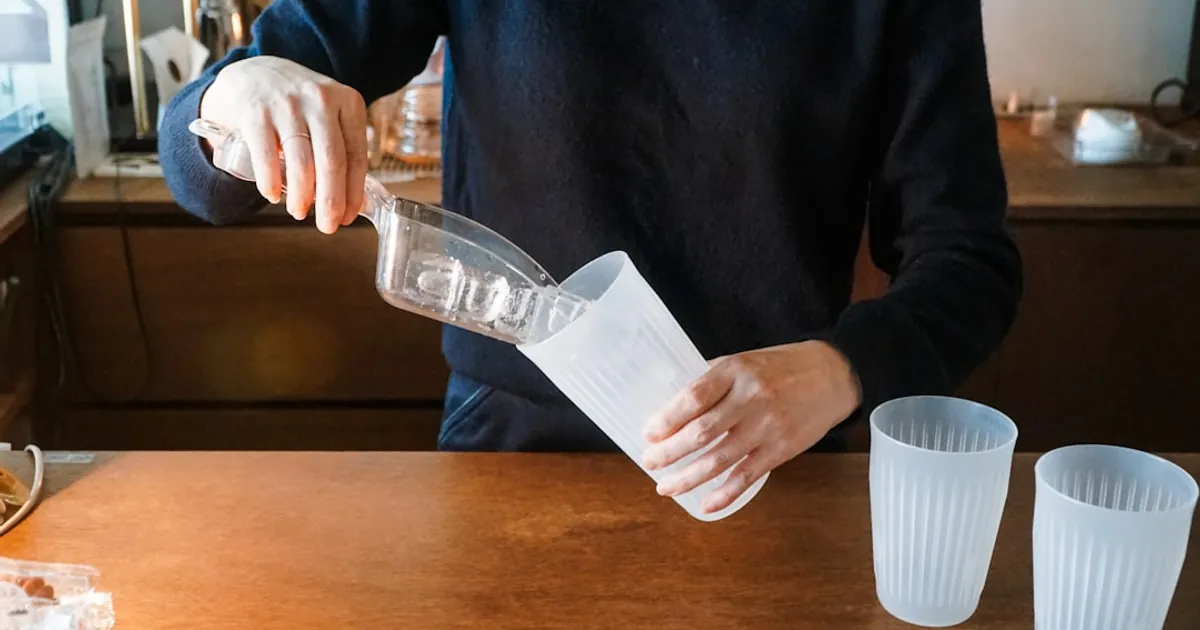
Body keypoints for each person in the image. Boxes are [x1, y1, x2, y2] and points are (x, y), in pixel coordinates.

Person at [160, 0, 1022, 515]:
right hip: (515, 454)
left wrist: (843, 369)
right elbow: (199, 160)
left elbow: (970, 259)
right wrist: (238, 92)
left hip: (766, 455)